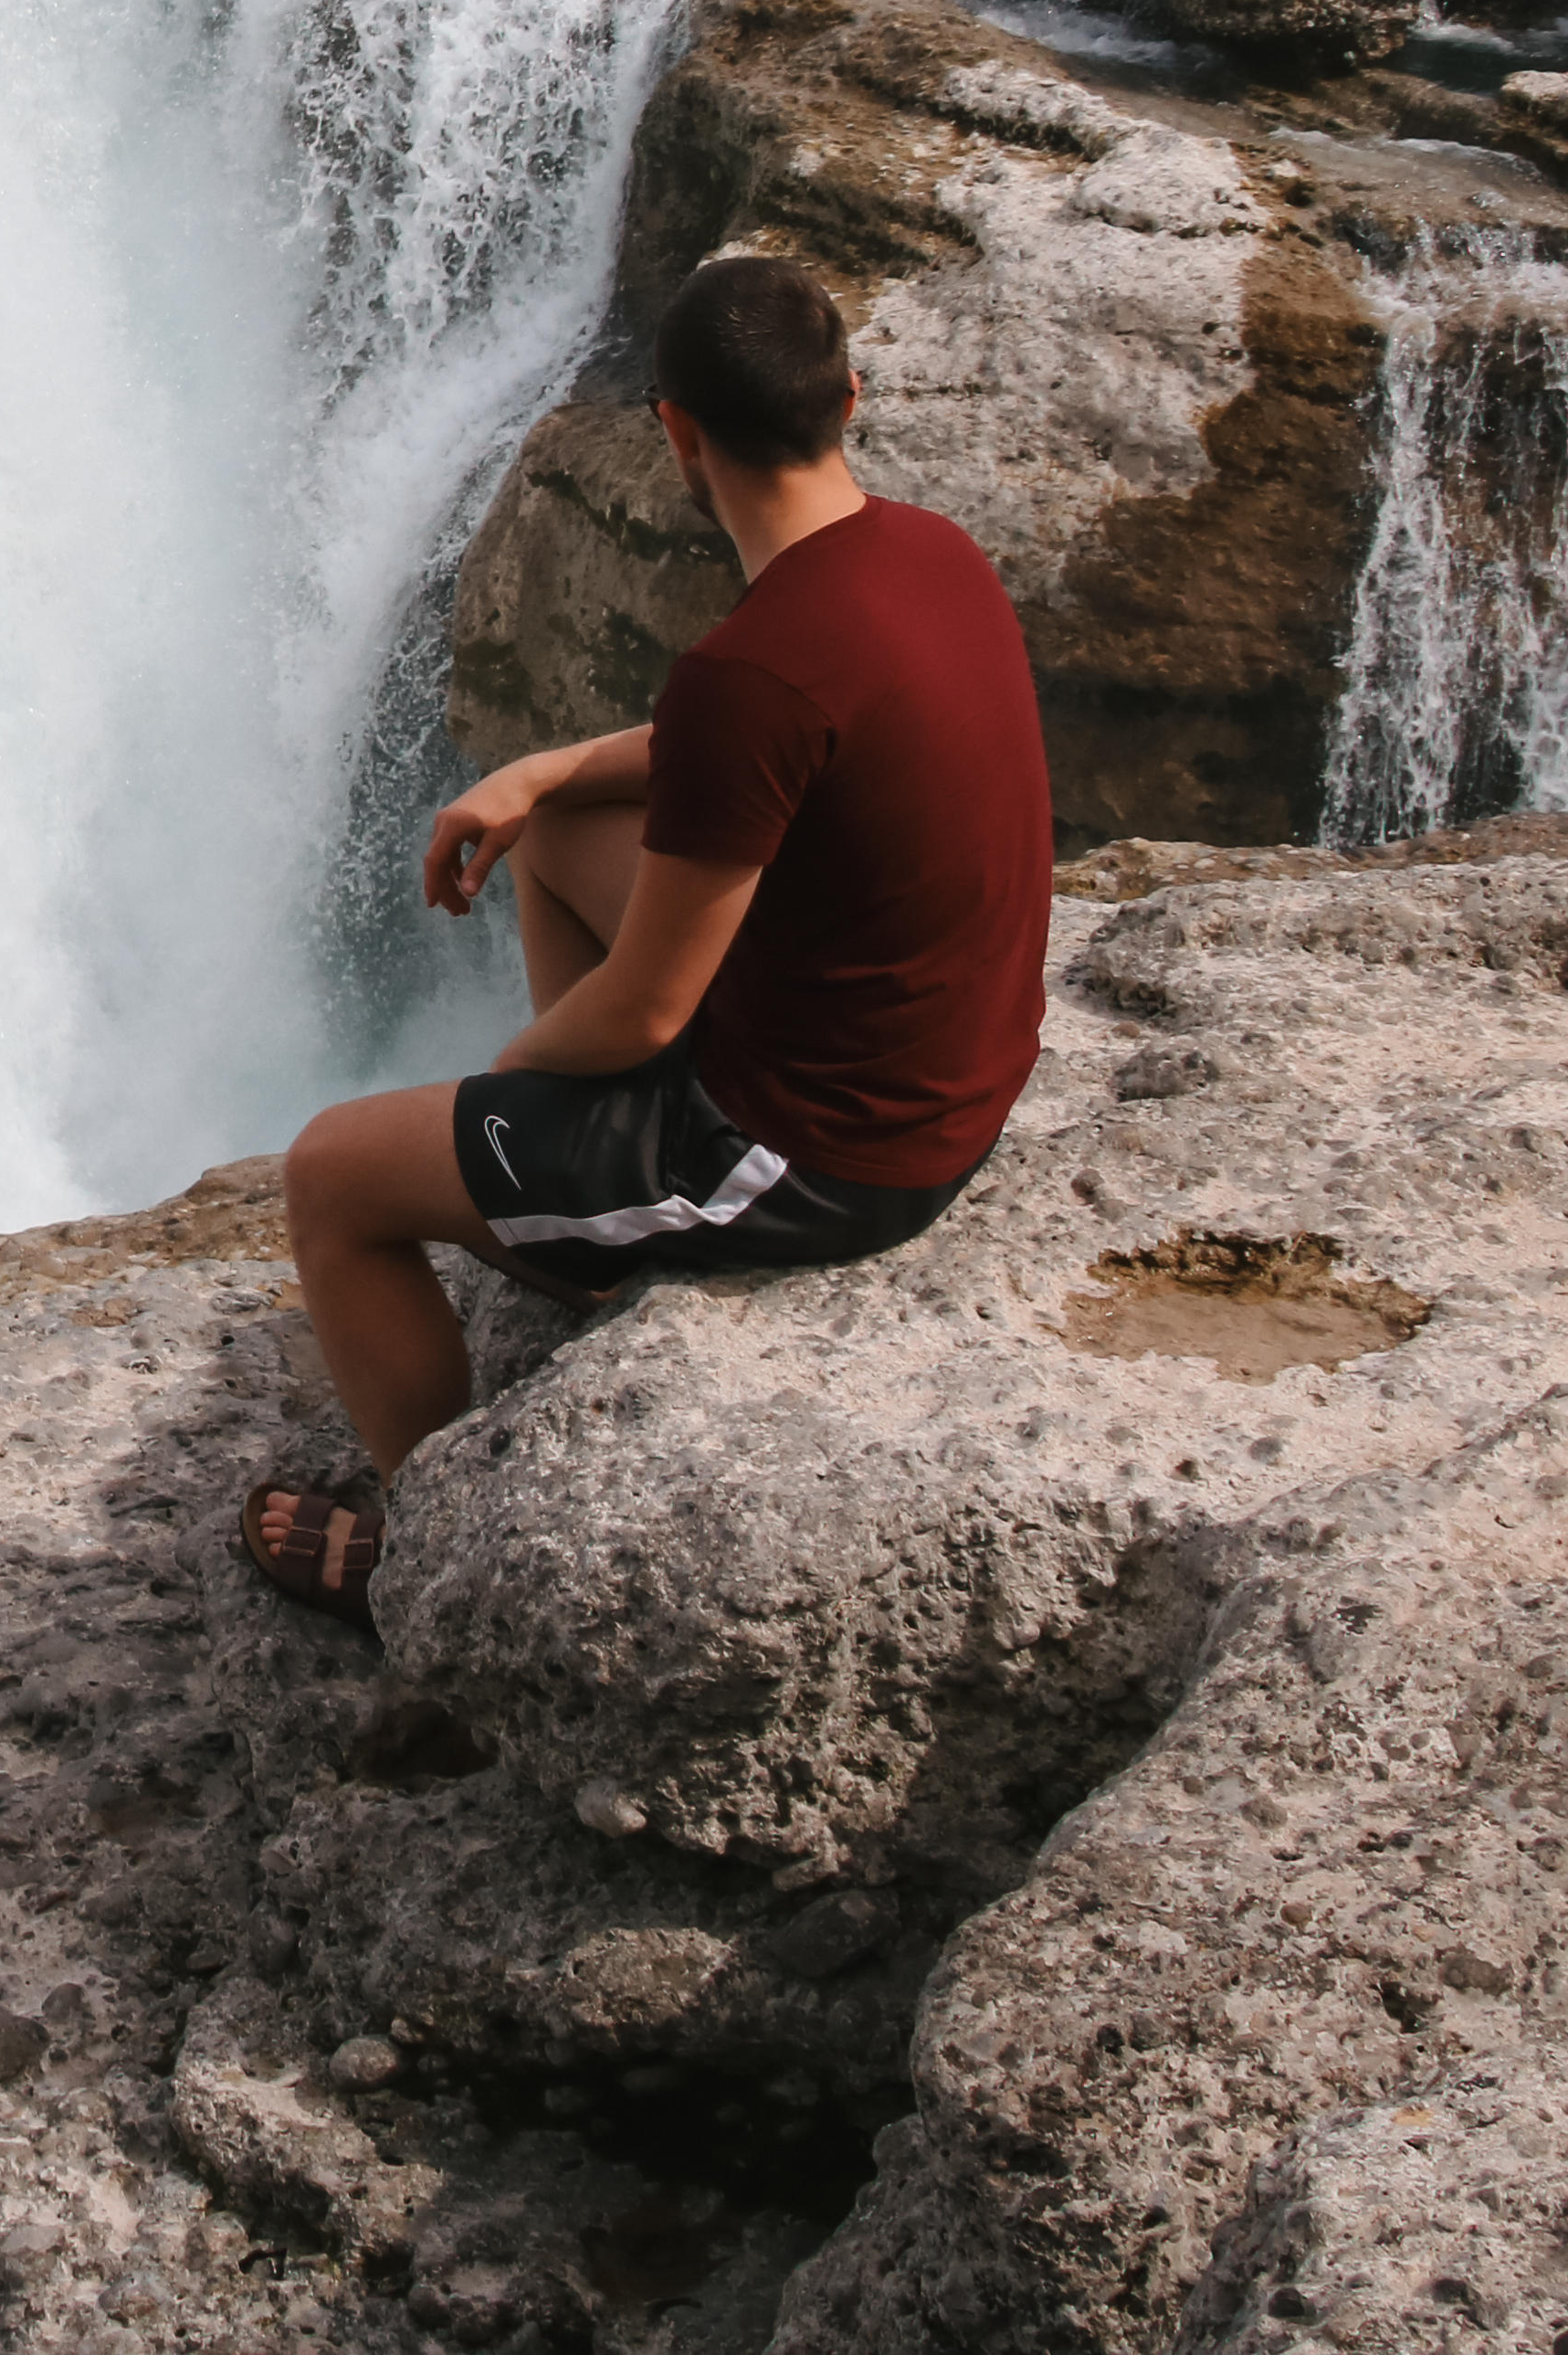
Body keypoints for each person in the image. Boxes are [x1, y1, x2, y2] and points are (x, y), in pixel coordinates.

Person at [245, 249, 1055, 1627]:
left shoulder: (753, 669)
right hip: (942, 1073)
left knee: (334, 1178)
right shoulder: (932, 553)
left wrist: (505, 1097)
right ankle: (576, 1218)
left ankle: (428, 1567)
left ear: (675, 434)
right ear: (848, 400)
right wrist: (547, 775)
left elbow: (641, 1013)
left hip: (819, 1156)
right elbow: (756, 739)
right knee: (557, 842)